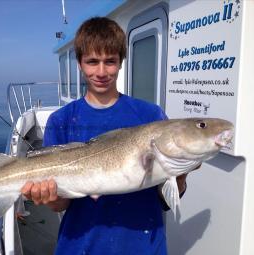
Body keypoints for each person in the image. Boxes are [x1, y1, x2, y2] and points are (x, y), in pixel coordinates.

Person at [21, 17, 188, 255]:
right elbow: (61, 204)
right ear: (79, 63)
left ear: (121, 62)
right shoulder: (61, 120)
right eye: (92, 62)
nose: (101, 72)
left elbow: (165, 201)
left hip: (143, 247)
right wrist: (47, 197)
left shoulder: (151, 115)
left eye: (110, 61)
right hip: (81, 246)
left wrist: (180, 175)